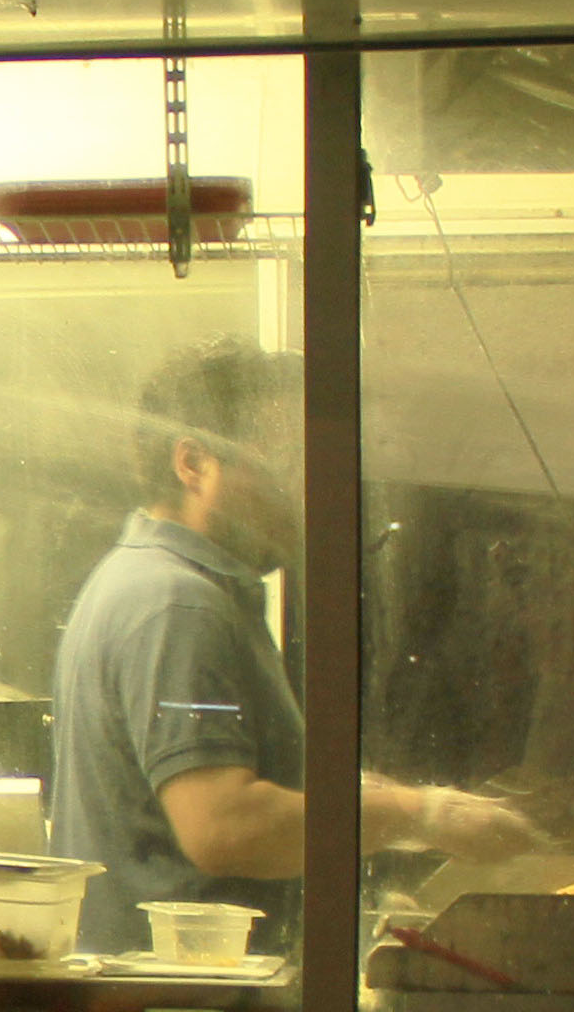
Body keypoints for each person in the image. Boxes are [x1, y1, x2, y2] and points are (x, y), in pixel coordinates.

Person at [52, 337, 543, 948]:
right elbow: (225, 826)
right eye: (289, 461)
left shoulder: (168, 585)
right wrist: (421, 816)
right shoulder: (175, 606)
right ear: (194, 465)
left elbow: (262, 786)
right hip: (184, 1010)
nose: (312, 488)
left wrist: (406, 813)